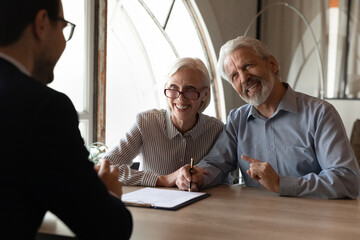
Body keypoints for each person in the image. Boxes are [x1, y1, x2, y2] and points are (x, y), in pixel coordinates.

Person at [0, 0, 132, 239]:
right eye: (62, 27)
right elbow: (108, 229)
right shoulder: (43, 108)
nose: (63, 41)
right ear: (41, 23)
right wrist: (109, 192)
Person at [175, 36, 360, 199]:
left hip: (312, 222)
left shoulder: (320, 114)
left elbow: (347, 179)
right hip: (257, 221)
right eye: (234, 76)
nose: (244, 78)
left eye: (248, 66)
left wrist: (282, 184)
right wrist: (197, 175)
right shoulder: (237, 120)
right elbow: (216, 164)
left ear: (272, 64)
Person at [101, 57, 224, 187]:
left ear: (205, 94)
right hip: (153, 205)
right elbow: (105, 166)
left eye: (190, 89)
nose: (180, 98)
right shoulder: (146, 123)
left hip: (202, 206)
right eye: (173, 87)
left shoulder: (216, 130)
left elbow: (223, 176)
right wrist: (162, 180)